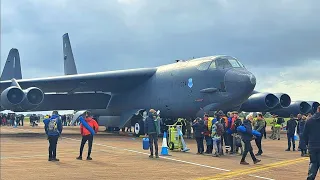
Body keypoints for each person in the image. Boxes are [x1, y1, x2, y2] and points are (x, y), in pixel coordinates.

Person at [303, 106, 320, 180]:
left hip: (312, 146)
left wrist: (308, 144)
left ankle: (310, 178)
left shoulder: (309, 121)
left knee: (313, 163)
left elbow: (304, 135)